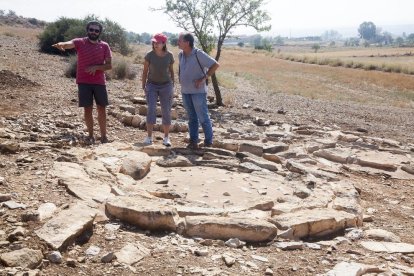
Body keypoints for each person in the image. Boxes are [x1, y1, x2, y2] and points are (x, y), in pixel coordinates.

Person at [52, 21, 112, 144]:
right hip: (83, 81)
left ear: (99, 32)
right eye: (91, 29)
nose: (93, 32)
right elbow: (70, 44)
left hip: (99, 82)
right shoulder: (80, 42)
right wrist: (62, 44)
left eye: (96, 30)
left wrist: (96, 67)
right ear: (87, 30)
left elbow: (109, 66)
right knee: (87, 109)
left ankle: (104, 136)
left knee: (102, 108)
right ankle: (91, 135)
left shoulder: (105, 46)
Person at [177, 32, 219, 149]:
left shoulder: (198, 54)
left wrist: (204, 78)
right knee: (191, 117)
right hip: (185, 91)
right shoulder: (180, 55)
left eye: (179, 41)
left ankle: (208, 142)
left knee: (203, 117)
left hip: (198, 92)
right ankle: (193, 141)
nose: (177, 42)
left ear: (187, 43)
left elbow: (215, 65)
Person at [141, 33, 175, 147]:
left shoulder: (169, 55)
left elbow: (171, 71)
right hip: (152, 85)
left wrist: (173, 84)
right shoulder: (149, 55)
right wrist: (143, 85)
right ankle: (149, 137)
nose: (155, 44)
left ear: (164, 43)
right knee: (151, 109)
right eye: (154, 42)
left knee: (166, 110)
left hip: (166, 85)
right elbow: (145, 71)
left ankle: (166, 138)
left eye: (158, 42)